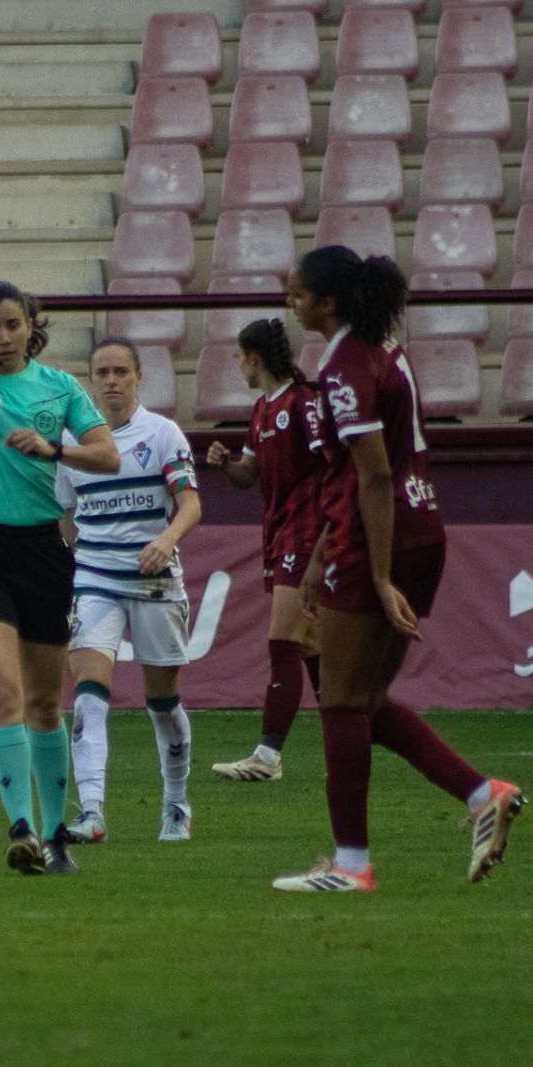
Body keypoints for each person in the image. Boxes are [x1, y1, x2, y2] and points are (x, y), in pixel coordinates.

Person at [271, 245, 525, 893]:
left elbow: (374, 477)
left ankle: (351, 864)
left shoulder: (344, 368)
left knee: (341, 701)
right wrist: (328, 551)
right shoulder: (380, 348)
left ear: (326, 303)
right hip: (420, 524)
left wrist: (376, 578)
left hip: (378, 533)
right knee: (365, 701)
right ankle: (481, 794)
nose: (289, 300)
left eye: (296, 292)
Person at [0, 160, 120, 875]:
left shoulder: (60, 388)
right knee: (5, 694)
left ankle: (53, 840)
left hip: (46, 552)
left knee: (49, 704)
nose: (3, 334)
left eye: (13, 323)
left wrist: (56, 448)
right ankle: (19, 826)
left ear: (30, 327)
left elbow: (106, 455)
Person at [54, 337, 203, 845]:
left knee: (161, 702)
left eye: (121, 371)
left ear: (139, 378)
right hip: (95, 579)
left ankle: (177, 805)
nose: (112, 380)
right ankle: (92, 813)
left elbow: (191, 504)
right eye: (102, 372)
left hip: (155, 581)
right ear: (90, 382)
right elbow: (67, 518)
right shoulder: (72, 447)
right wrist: (73, 567)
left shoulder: (162, 434)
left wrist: (166, 538)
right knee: (89, 696)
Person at [206, 318, 326, 782]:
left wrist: (326, 540)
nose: (238, 365)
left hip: (307, 533)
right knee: (312, 646)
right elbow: (247, 475)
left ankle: (267, 756)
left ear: (253, 357)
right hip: (278, 534)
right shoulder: (261, 410)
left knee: (283, 640)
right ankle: (353, 729)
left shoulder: (303, 403)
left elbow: (335, 463)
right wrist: (226, 465)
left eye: (239, 356)